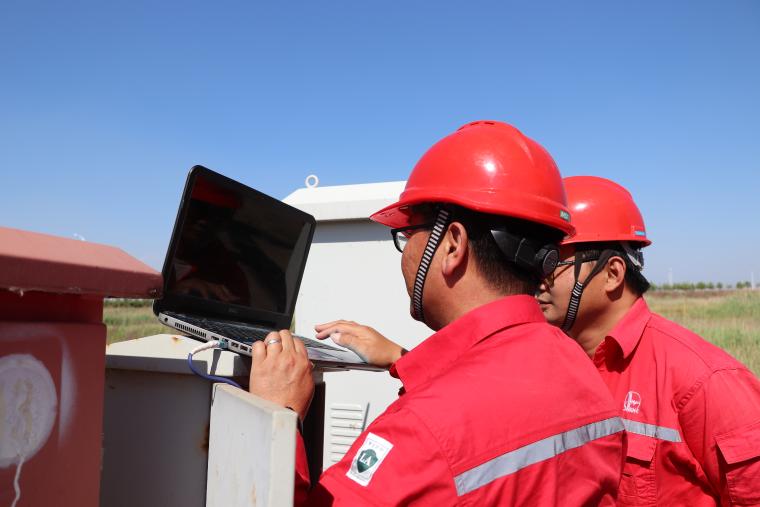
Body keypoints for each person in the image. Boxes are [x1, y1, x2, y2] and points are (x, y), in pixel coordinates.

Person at [249, 121, 626, 505]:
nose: (406, 256)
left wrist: (277, 415)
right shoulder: (583, 371)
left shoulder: (419, 433)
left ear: (452, 245)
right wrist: (402, 359)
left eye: (407, 234)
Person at [536, 175, 760, 506]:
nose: (538, 280)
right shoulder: (550, 369)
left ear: (612, 274)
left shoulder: (704, 382)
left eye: (551, 263)